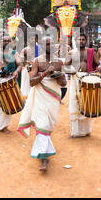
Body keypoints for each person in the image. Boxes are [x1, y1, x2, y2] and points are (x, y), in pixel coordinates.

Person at [18, 36, 67, 171]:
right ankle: (43, 158)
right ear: (41, 45)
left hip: (53, 99)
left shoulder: (59, 62)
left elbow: (63, 84)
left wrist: (60, 77)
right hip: (40, 96)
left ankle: (43, 150)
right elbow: (31, 82)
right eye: (46, 44)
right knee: (42, 125)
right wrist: (45, 73)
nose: (49, 46)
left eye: (52, 44)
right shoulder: (37, 61)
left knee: (49, 125)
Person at [65, 34, 101, 138]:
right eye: (79, 39)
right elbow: (65, 67)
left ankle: (86, 130)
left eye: (83, 39)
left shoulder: (91, 52)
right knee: (74, 102)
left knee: (86, 102)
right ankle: (75, 132)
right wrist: (70, 71)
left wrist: (100, 68)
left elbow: (99, 64)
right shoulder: (71, 53)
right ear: (76, 41)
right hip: (75, 79)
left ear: (86, 41)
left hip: (88, 79)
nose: (81, 41)